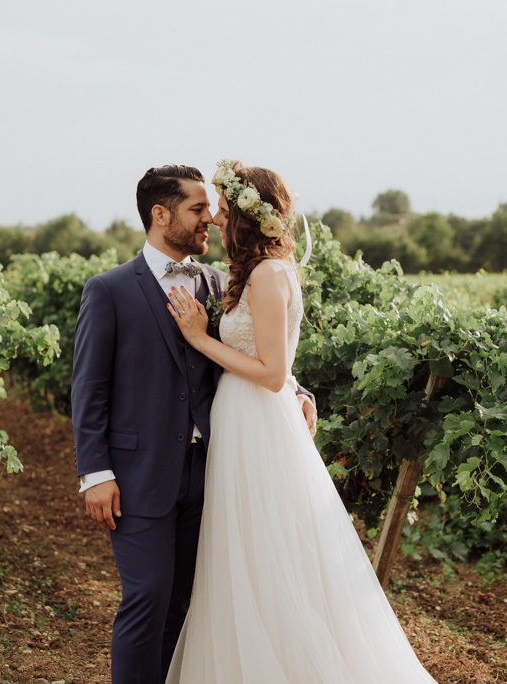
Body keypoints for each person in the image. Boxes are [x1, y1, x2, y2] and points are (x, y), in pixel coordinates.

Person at [163, 160, 437, 683]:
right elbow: (281, 369)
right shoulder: (256, 272)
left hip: (257, 423)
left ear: (246, 215)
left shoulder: (268, 274)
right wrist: (297, 389)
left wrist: (202, 339)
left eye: (223, 208)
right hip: (244, 420)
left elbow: (271, 372)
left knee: (266, 547)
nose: (216, 219)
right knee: (247, 547)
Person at [70, 164, 317, 684]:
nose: (210, 219)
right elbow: (88, 389)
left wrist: (296, 390)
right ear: (161, 215)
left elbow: (251, 352)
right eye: (197, 209)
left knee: (187, 600)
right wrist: (95, 473)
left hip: (212, 472)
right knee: (148, 595)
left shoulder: (219, 283)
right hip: (138, 475)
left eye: (212, 209)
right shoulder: (109, 290)